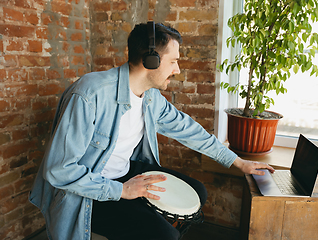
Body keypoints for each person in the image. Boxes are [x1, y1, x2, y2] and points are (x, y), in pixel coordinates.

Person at [29, 22, 274, 240]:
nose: (177, 70)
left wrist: (238, 162)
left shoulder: (151, 98)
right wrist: (122, 190)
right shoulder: (89, 95)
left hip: (124, 173)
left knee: (198, 192)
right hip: (88, 190)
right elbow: (58, 170)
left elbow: (187, 129)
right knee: (163, 233)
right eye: (174, 61)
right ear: (151, 60)